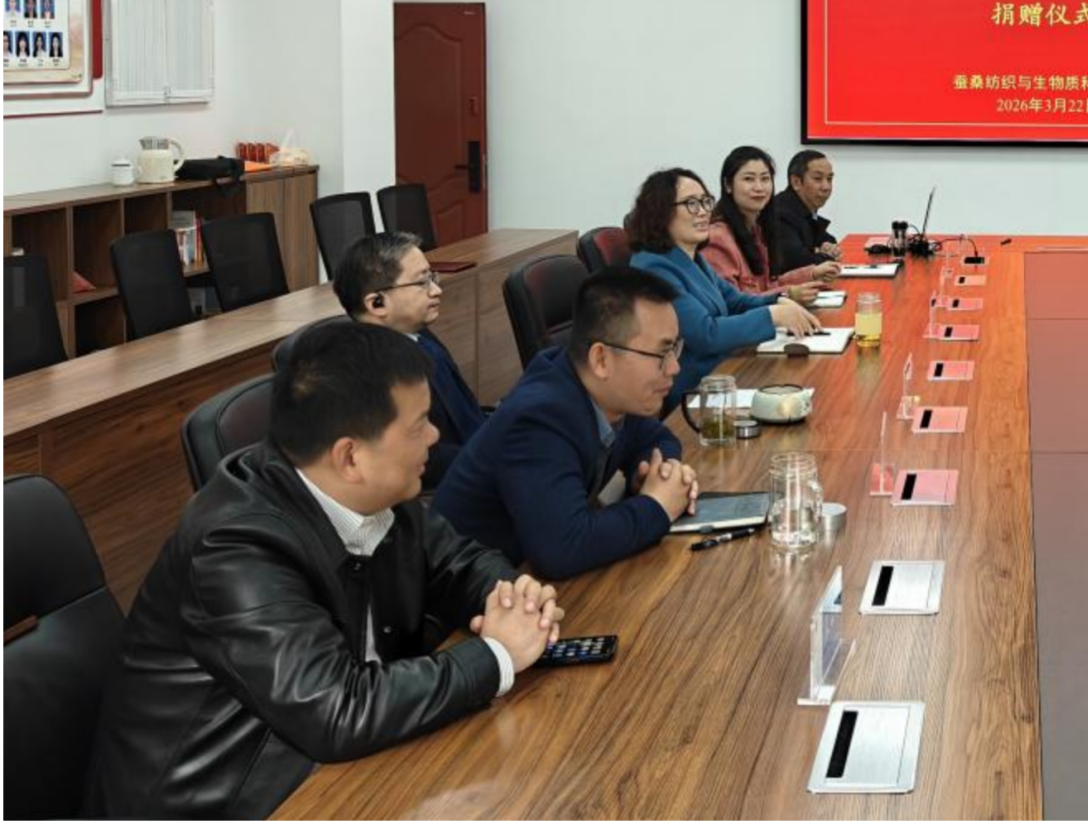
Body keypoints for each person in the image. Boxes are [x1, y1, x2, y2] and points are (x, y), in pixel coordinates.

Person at [85, 323, 564, 819]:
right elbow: (336, 709)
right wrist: (496, 656)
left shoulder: (377, 489)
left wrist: (514, 597)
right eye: (419, 425)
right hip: (225, 800)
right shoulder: (231, 547)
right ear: (350, 456)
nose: (435, 435)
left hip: (330, 765)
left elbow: (457, 560)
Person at [434, 267, 700, 579]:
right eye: (662, 353)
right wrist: (658, 506)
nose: (674, 367)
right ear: (601, 359)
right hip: (475, 593)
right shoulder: (539, 419)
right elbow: (562, 549)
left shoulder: (607, 391)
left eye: (675, 348)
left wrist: (652, 473)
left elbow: (659, 439)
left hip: (530, 583)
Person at [626, 166, 820, 407]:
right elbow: (705, 334)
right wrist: (772, 315)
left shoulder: (692, 257)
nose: (703, 212)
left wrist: (779, 301)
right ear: (661, 212)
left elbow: (735, 301)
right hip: (692, 390)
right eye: (691, 204)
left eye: (706, 202)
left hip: (724, 372)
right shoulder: (654, 267)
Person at [333, 231, 487, 487]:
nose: (436, 290)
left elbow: (465, 417)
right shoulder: (371, 372)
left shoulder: (419, 335)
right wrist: (495, 460)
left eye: (432, 278)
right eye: (422, 283)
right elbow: (419, 460)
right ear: (377, 304)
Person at [703, 145, 837, 300]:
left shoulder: (756, 230)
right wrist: (787, 294)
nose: (759, 187)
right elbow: (732, 303)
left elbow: (769, 285)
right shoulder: (718, 238)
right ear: (728, 185)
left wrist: (812, 273)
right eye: (749, 179)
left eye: (765, 179)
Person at [769, 148, 841, 274]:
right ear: (796, 182)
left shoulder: (803, 208)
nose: (826, 187)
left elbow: (825, 238)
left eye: (829, 179)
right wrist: (826, 256)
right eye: (818, 179)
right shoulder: (781, 214)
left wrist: (827, 246)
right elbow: (799, 263)